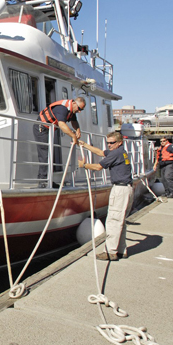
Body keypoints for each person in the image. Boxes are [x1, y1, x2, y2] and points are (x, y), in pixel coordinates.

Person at [78, 131, 133, 261]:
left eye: (112, 143)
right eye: (108, 143)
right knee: (120, 221)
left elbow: (98, 167)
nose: (109, 145)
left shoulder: (116, 153)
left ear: (119, 142)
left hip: (120, 189)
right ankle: (121, 250)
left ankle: (110, 252)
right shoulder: (120, 152)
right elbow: (101, 153)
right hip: (126, 189)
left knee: (113, 221)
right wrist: (85, 145)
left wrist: (83, 165)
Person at [33, 97, 86, 187]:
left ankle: (48, 180)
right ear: (74, 103)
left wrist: (77, 130)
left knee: (50, 154)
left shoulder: (71, 109)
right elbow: (61, 124)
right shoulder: (62, 108)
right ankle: (43, 181)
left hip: (48, 130)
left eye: (82, 109)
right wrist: (73, 136)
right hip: (41, 128)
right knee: (44, 154)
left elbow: (74, 121)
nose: (80, 111)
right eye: (79, 108)